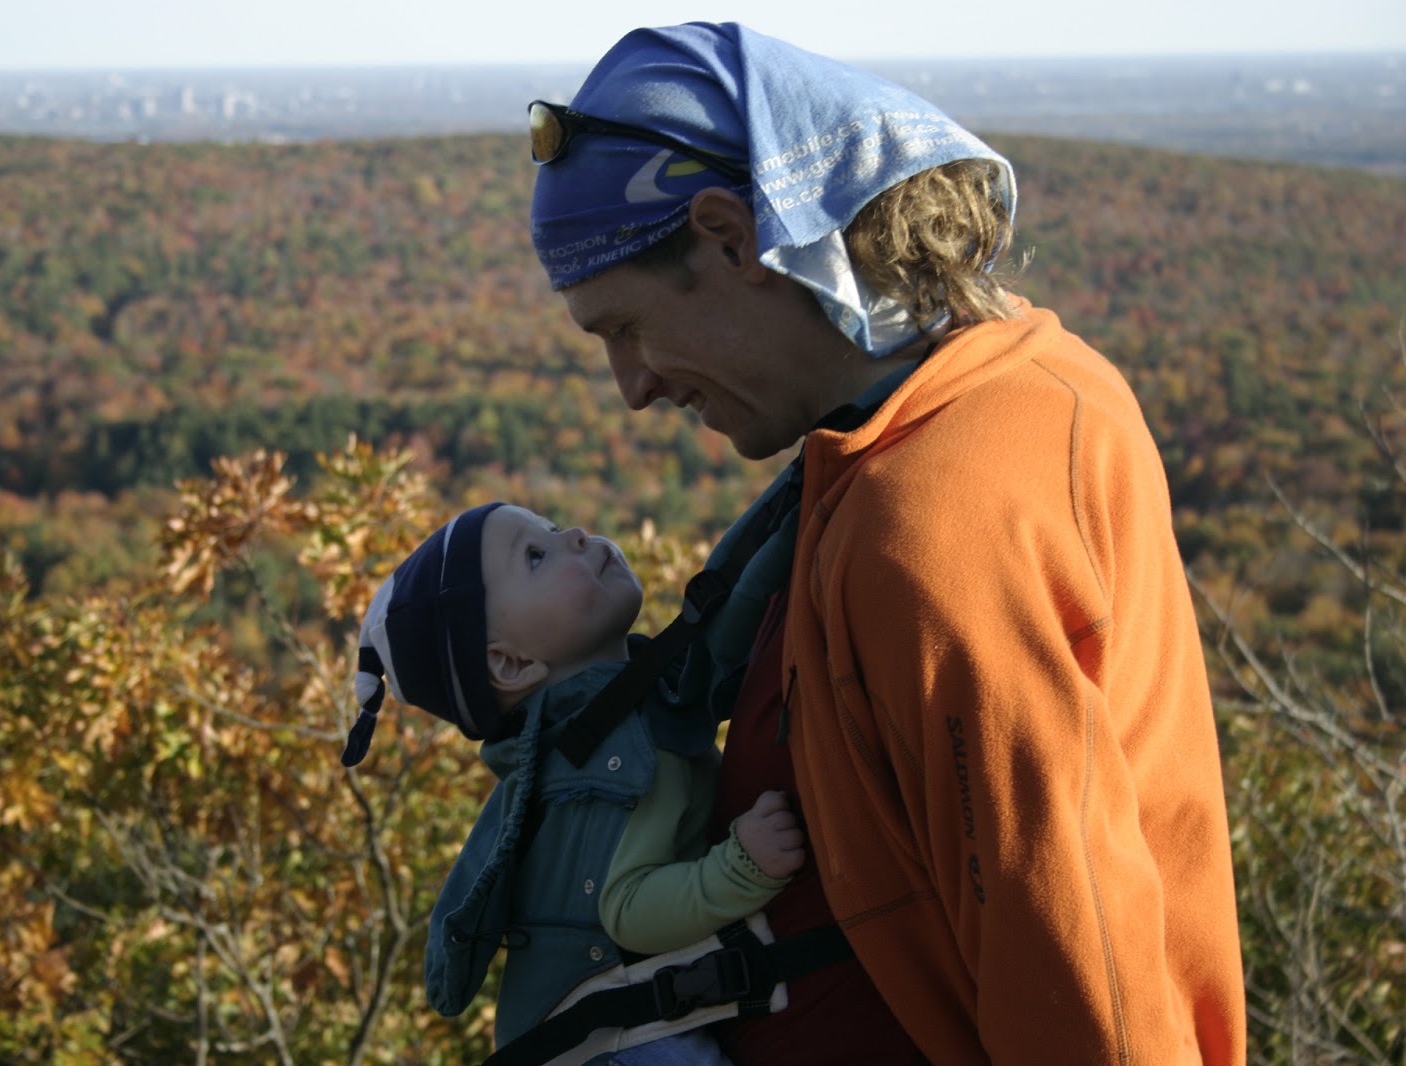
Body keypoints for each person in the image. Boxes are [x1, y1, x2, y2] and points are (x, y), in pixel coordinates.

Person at [526, 21, 1248, 1066]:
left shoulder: (937, 518)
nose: (632, 387)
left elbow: (1073, 961)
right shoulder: (995, 393)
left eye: (625, 328)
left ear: (731, 239)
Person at [340, 501, 807, 1064]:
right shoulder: (595, 765)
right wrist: (741, 867)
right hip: (609, 1047)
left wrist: (794, 502)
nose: (579, 536)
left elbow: (723, 607)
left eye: (555, 528)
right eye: (537, 556)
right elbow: (628, 910)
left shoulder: (621, 704)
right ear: (513, 665)